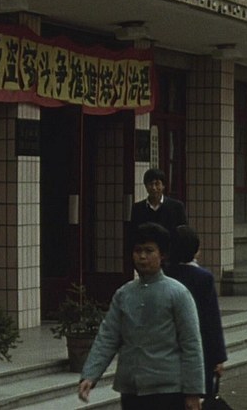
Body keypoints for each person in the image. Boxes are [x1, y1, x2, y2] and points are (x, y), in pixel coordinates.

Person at [78, 222, 204, 410]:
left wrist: (193, 391)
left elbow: (191, 343)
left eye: (149, 251)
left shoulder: (178, 293)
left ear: (162, 255)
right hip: (131, 389)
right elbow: (108, 337)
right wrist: (90, 375)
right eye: (138, 251)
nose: (142, 256)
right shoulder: (124, 294)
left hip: (167, 390)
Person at [166, 225, 228, 397]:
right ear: (195, 250)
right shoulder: (203, 278)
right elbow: (211, 319)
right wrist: (218, 356)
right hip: (200, 347)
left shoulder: (165, 274)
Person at [129, 168, 188, 250]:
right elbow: (133, 234)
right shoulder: (138, 208)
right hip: (147, 252)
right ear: (145, 186)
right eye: (150, 184)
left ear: (163, 186)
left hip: (170, 252)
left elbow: (183, 233)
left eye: (157, 184)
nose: (154, 188)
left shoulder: (177, 207)